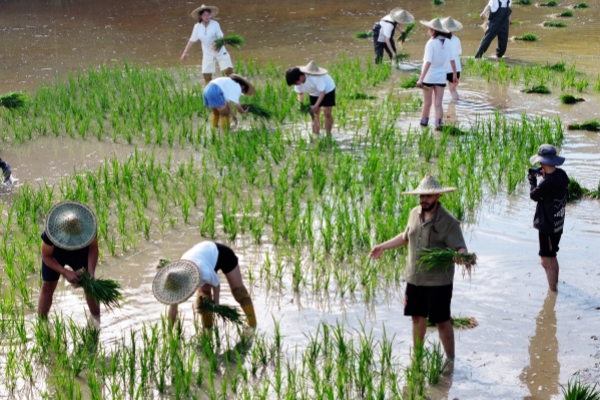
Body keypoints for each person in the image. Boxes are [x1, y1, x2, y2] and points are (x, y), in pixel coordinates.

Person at [370, 174, 468, 360]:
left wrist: (462, 256)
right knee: (417, 318)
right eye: (422, 196)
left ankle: (451, 360)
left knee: (441, 322)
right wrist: (382, 246)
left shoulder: (448, 222)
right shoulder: (413, 214)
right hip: (415, 278)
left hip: (438, 282)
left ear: (438, 196)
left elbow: (460, 247)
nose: (424, 199)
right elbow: (406, 236)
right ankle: (417, 356)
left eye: (429, 196)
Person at [153, 241, 257, 329]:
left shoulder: (201, 272)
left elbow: (216, 284)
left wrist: (216, 303)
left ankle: (252, 324)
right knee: (204, 297)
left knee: (239, 291)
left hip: (222, 254)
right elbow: (172, 309)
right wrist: (169, 332)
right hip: (203, 257)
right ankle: (208, 328)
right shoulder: (175, 280)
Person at [37, 200, 100, 319]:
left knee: (90, 284)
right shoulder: (50, 232)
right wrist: (65, 272)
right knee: (47, 286)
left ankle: (97, 320)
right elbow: (46, 256)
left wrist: (91, 271)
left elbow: (93, 248)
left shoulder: (89, 228)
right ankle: (42, 323)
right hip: (56, 254)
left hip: (80, 252)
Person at [528, 144, 569, 292]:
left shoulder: (547, 182)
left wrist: (532, 181)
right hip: (558, 223)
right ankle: (555, 284)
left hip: (547, 225)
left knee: (546, 260)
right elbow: (553, 189)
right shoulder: (562, 175)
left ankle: (553, 292)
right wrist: (546, 176)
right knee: (553, 254)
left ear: (542, 162)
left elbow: (534, 195)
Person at [416, 18, 457, 130]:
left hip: (429, 77)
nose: (428, 31)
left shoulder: (431, 43)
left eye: (429, 29)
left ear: (434, 30)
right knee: (438, 104)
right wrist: (454, 76)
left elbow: (428, 62)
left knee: (427, 103)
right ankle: (438, 125)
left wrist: (420, 79)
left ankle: (423, 125)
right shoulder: (448, 42)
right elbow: (452, 61)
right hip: (441, 77)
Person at [180, 5, 234, 85]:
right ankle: (208, 91)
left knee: (229, 71)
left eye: (208, 14)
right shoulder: (197, 27)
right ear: (200, 16)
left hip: (220, 51)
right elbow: (192, 40)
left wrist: (221, 42)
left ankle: (234, 87)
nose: (207, 16)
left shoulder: (215, 24)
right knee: (206, 76)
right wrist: (185, 53)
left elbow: (220, 36)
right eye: (204, 15)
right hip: (208, 53)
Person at [285, 61, 336, 135]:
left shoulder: (315, 78)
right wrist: (300, 104)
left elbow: (322, 92)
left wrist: (315, 105)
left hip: (327, 89)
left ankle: (328, 135)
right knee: (314, 114)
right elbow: (300, 94)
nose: (296, 84)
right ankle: (316, 135)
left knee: (327, 112)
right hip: (314, 92)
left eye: (296, 82)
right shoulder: (297, 83)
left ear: (301, 76)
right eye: (294, 83)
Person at [441, 17, 463, 101]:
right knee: (452, 90)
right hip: (455, 68)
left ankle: (436, 109)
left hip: (443, 67)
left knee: (439, 90)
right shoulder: (456, 39)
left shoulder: (440, 40)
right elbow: (458, 53)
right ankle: (456, 106)